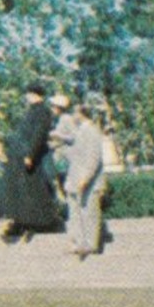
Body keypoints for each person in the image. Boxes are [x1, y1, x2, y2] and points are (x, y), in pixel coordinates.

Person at [0, 83, 61, 243]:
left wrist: (30, 155)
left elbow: (39, 134)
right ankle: (19, 222)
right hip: (19, 158)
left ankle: (35, 224)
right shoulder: (32, 111)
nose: (26, 97)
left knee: (33, 192)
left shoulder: (43, 111)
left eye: (28, 93)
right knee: (19, 191)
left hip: (31, 160)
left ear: (34, 94)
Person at [59, 102, 107, 260]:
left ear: (81, 114)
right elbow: (75, 155)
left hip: (89, 182)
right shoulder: (80, 131)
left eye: (75, 113)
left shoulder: (92, 131)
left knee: (89, 212)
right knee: (75, 212)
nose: (73, 116)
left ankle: (90, 245)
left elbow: (94, 157)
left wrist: (85, 179)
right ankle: (78, 242)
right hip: (74, 180)